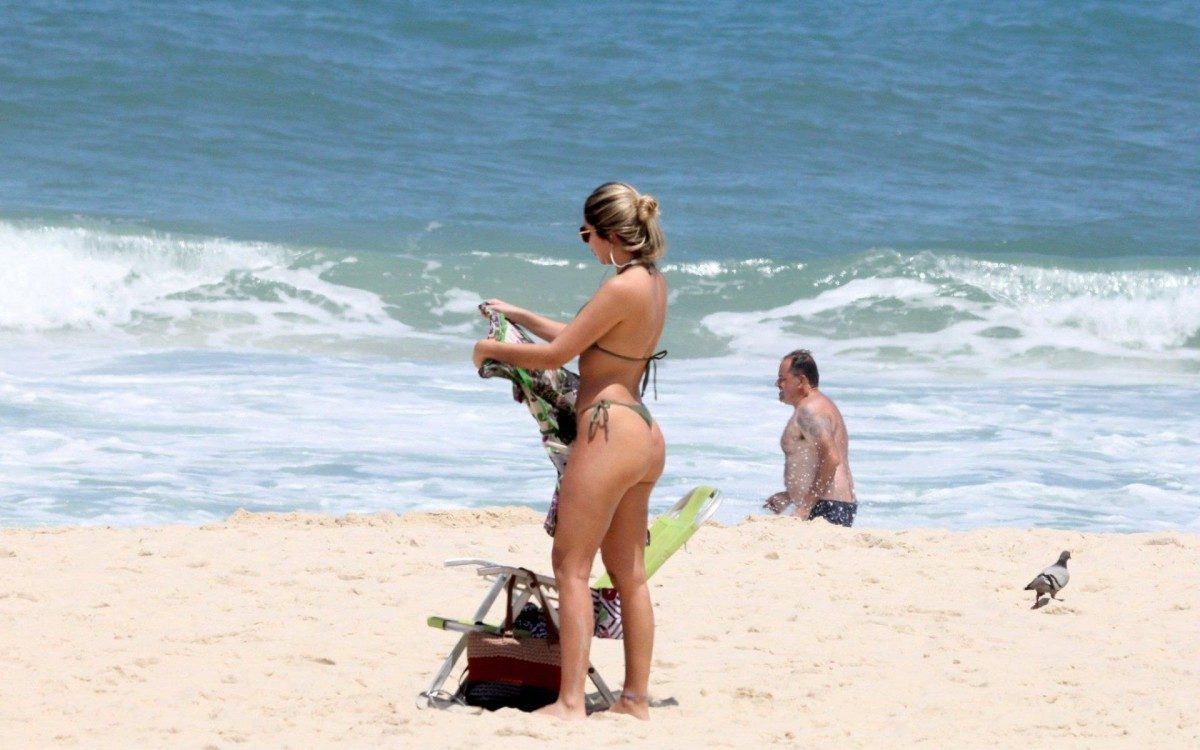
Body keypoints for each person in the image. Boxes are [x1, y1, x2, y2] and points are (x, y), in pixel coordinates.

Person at [472, 182, 668, 720]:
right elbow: (586, 338)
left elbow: (559, 354)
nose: (586, 244)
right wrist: (520, 314)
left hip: (607, 432)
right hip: (643, 433)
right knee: (629, 573)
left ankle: (570, 702)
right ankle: (634, 701)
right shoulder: (651, 283)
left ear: (608, 233)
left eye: (586, 235)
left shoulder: (619, 285)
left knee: (571, 566)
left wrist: (488, 349)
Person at [763, 350, 857, 526]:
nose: (777, 383)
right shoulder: (818, 406)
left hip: (828, 506)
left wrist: (805, 506)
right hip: (831, 503)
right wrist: (791, 496)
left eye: (782, 378)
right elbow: (814, 459)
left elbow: (831, 458)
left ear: (801, 381)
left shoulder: (810, 410)